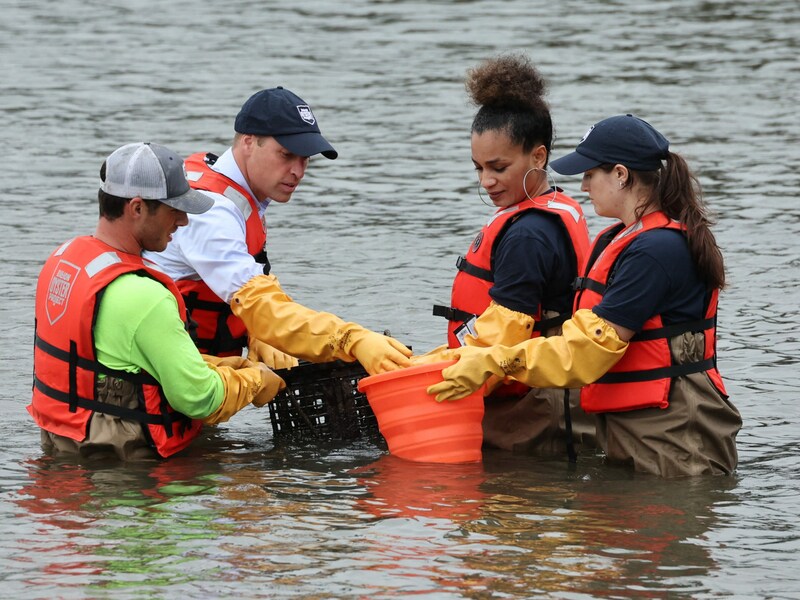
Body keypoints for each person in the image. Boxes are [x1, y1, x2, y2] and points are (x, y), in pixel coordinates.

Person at [427, 114, 742, 477]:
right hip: (637, 433)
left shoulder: (657, 251)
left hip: (678, 442)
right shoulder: (620, 239)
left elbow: (587, 351)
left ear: (621, 175)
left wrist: (496, 361)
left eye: (591, 174)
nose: (584, 185)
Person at [29, 142, 285, 461]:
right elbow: (200, 398)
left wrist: (221, 366)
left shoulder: (64, 261)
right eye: (173, 209)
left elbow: (114, 361)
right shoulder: (145, 296)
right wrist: (254, 380)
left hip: (63, 451)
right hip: (129, 479)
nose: (183, 222)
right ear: (137, 208)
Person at [144, 87, 411, 375]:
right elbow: (260, 303)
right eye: (286, 155)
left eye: (305, 158)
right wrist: (350, 339)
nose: (298, 170)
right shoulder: (212, 212)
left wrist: (254, 331)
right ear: (248, 142)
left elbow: (250, 285)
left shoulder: (224, 182)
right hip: (157, 376)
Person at [423, 53, 592, 457]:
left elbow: (506, 330)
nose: (486, 181)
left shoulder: (529, 235)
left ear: (538, 156)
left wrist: (434, 373)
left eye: (498, 167)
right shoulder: (551, 209)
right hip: (539, 398)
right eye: (478, 167)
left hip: (534, 410)